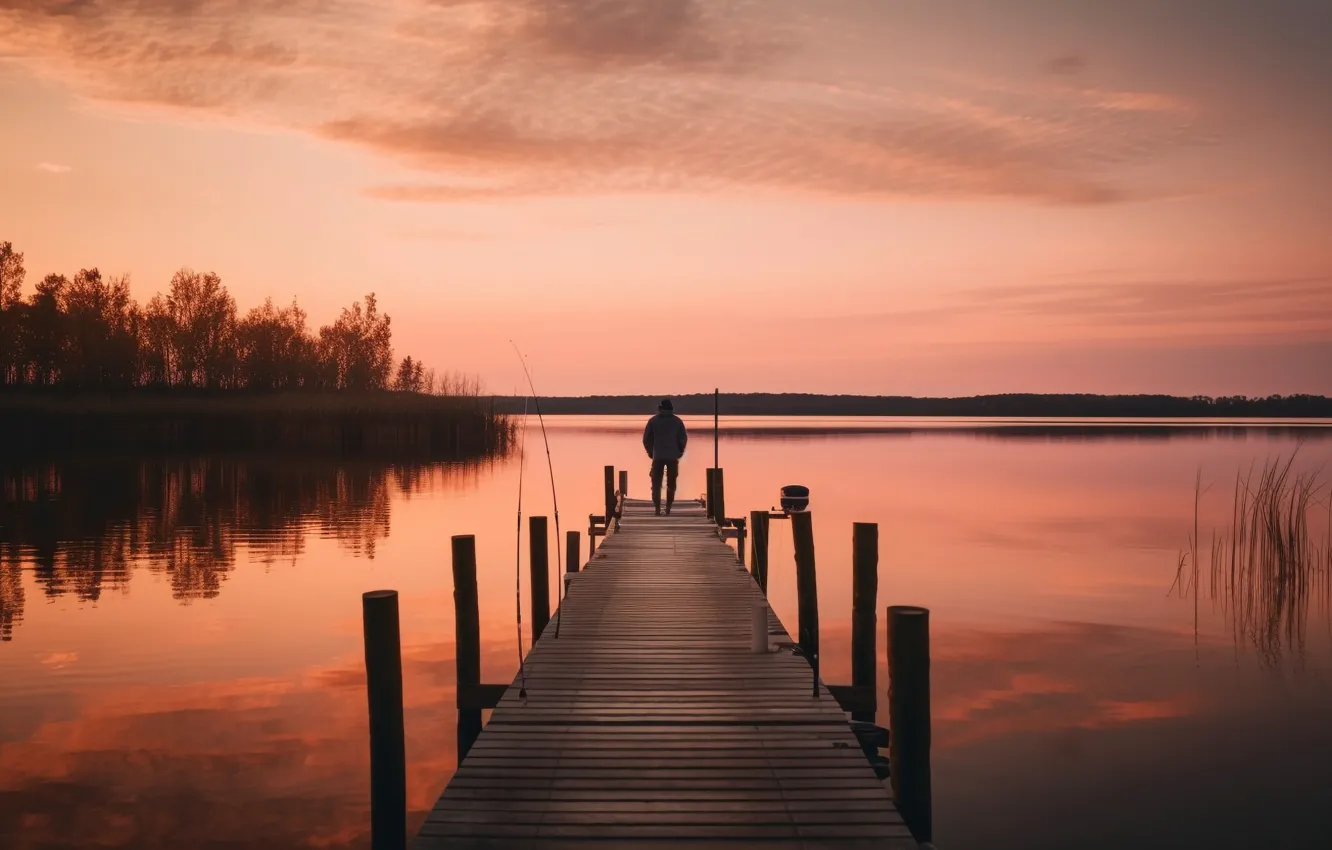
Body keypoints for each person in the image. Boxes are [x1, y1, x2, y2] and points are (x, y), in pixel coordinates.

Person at [643, 398, 688, 515]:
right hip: (673, 456)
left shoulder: (653, 421)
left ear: (660, 408)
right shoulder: (677, 421)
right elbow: (683, 439)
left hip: (657, 456)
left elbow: (646, 439)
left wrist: (650, 452)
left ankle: (657, 508)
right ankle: (668, 507)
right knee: (671, 483)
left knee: (656, 483)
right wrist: (680, 451)